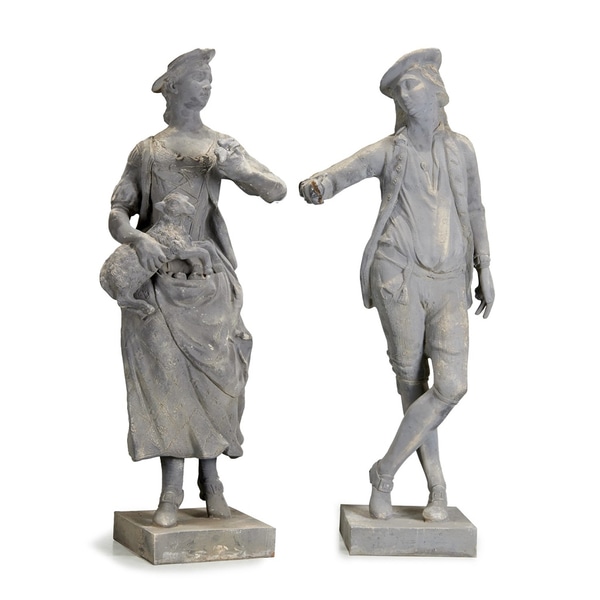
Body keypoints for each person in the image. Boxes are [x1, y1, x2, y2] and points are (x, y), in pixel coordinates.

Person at [299, 48, 494, 521]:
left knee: (452, 386)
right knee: (411, 381)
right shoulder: (391, 150)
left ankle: (384, 471)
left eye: (411, 85)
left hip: (450, 281)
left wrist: (485, 266)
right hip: (399, 275)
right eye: (399, 91)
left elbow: (474, 208)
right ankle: (437, 488)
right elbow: (350, 168)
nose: (404, 95)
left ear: (436, 90)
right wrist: (320, 185)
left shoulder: (462, 149)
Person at [106, 49, 286, 527]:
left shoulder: (221, 146)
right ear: (174, 86)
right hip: (159, 284)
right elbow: (118, 211)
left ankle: (213, 481)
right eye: (199, 77)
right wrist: (137, 238)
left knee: (219, 381)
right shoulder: (148, 151)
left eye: (210, 78)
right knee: (168, 384)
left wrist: (237, 169)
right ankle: (171, 491)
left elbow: (275, 189)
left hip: (209, 284)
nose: (207, 84)